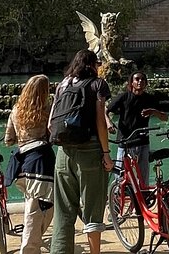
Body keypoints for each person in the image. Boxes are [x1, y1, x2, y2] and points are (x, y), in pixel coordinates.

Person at [48, 49, 112, 254]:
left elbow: (51, 124)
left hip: (63, 154)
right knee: (93, 209)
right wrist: (106, 153)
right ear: (93, 65)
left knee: (63, 211)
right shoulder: (97, 84)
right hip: (90, 151)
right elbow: (100, 122)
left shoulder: (62, 85)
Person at [4, 74, 56, 254]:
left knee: (34, 205)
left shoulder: (16, 109)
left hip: (21, 164)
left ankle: (32, 245)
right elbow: (53, 135)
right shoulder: (47, 110)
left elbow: (8, 139)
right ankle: (28, 249)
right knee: (40, 208)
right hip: (41, 162)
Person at [106, 71, 168, 184]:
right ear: (131, 82)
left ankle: (143, 200)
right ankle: (117, 198)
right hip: (125, 142)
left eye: (143, 80)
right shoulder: (123, 97)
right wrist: (109, 124)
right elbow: (105, 111)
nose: (140, 82)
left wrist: (154, 111)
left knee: (143, 177)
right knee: (120, 177)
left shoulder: (150, 99)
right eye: (137, 79)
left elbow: (165, 118)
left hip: (143, 141)